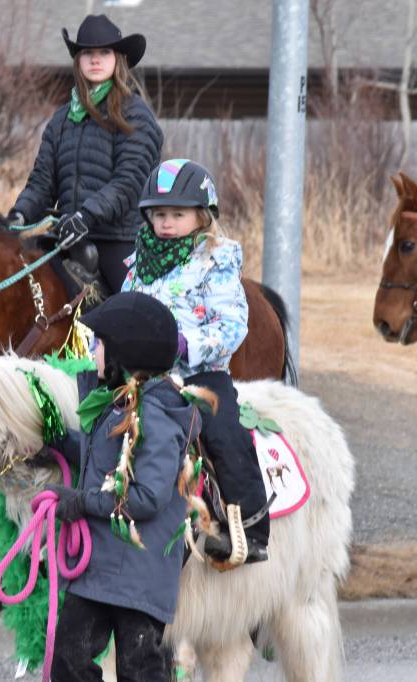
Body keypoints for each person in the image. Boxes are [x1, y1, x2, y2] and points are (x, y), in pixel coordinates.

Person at [45, 291, 199, 681]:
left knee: (140, 670)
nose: (91, 352)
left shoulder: (157, 418)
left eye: (98, 345)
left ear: (124, 355)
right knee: (67, 661)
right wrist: (52, 443)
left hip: (139, 577)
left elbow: (148, 496)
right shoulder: (115, 405)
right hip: (98, 571)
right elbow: (103, 459)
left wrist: (82, 503)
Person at [123, 159, 270, 564]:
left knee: (225, 431)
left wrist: (188, 344)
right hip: (146, 376)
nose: (166, 223)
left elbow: (233, 325)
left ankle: (251, 527)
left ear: (201, 217)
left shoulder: (216, 262)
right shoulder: (137, 266)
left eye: (177, 214)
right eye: (159, 215)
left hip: (199, 373)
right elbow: (125, 310)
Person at [9, 14, 163, 296]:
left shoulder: (136, 115)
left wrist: (85, 216)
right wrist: (19, 215)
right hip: (68, 238)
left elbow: (128, 183)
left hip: (120, 241)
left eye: (104, 52)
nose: (95, 59)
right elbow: (43, 181)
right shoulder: (61, 119)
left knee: (134, 316)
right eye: (87, 53)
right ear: (78, 61)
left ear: (118, 59)